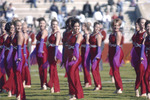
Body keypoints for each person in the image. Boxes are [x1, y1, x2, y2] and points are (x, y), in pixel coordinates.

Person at [66, 18, 84, 100]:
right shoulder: (71, 35)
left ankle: (74, 94)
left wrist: (74, 55)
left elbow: (76, 46)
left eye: (78, 26)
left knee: (71, 74)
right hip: (70, 57)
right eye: (75, 26)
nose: (77, 28)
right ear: (72, 27)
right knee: (75, 76)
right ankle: (78, 94)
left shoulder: (79, 35)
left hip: (76, 57)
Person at [131, 18, 147, 97]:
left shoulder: (146, 33)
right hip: (136, 55)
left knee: (142, 72)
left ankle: (137, 88)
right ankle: (143, 92)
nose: (143, 24)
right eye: (141, 22)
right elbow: (134, 44)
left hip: (144, 55)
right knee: (139, 73)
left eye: (144, 23)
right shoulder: (136, 33)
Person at [108, 18, 124, 94]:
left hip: (116, 52)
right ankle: (118, 88)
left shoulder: (118, 33)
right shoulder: (111, 34)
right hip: (111, 52)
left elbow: (117, 46)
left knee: (115, 70)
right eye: (114, 25)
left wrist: (116, 57)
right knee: (114, 71)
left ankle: (120, 87)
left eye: (118, 25)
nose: (116, 27)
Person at [12, 20, 26, 100]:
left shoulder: (20, 34)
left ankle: (19, 95)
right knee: (16, 76)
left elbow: (19, 47)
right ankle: (20, 94)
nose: (19, 27)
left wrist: (18, 58)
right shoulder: (16, 34)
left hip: (18, 56)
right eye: (17, 25)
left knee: (17, 75)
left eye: (20, 25)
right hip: (16, 54)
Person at [47, 18, 61, 93]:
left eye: (56, 24)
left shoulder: (57, 33)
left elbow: (56, 44)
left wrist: (55, 55)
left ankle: (51, 85)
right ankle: (55, 88)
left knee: (52, 69)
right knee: (53, 70)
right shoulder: (51, 32)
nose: (54, 26)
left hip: (54, 52)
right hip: (49, 51)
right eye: (53, 24)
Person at [2, 22, 16, 97]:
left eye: (13, 28)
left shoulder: (14, 36)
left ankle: (10, 91)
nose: (12, 29)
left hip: (11, 56)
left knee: (11, 74)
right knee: (8, 73)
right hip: (6, 54)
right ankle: (13, 91)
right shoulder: (7, 36)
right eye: (11, 28)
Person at [89, 22, 102, 91]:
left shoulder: (98, 35)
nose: (97, 29)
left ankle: (97, 85)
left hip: (96, 54)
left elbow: (99, 47)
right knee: (96, 70)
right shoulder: (91, 35)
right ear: (93, 27)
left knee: (93, 69)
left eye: (98, 27)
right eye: (96, 27)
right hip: (91, 53)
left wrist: (98, 55)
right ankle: (99, 85)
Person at [36, 17, 48, 90]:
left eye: (43, 23)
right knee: (40, 67)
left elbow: (42, 39)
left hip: (42, 49)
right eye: (40, 23)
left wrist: (40, 50)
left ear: (45, 24)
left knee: (44, 67)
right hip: (38, 49)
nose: (41, 24)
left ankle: (44, 84)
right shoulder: (39, 31)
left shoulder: (44, 31)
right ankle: (42, 84)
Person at [81, 22, 92, 88]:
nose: (81, 27)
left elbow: (88, 44)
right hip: (83, 50)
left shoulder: (87, 34)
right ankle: (86, 81)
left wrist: (86, 54)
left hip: (86, 51)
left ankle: (88, 82)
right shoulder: (83, 34)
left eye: (82, 26)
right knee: (84, 67)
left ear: (85, 27)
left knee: (86, 67)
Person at [22, 22, 31, 88]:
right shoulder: (22, 34)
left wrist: (24, 53)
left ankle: (25, 81)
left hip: (24, 50)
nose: (24, 28)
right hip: (23, 50)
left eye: (25, 27)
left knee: (25, 66)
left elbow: (25, 44)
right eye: (23, 27)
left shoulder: (25, 34)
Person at [0, 20, 7, 92]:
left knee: (2, 72)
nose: (3, 28)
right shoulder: (1, 35)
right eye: (2, 26)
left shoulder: (5, 36)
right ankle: (1, 87)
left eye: (4, 27)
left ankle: (4, 87)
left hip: (3, 55)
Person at [144, 20, 150, 99]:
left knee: (146, 76)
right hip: (148, 58)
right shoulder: (146, 37)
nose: (149, 28)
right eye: (147, 27)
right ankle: (148, 92)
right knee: (146, 76)